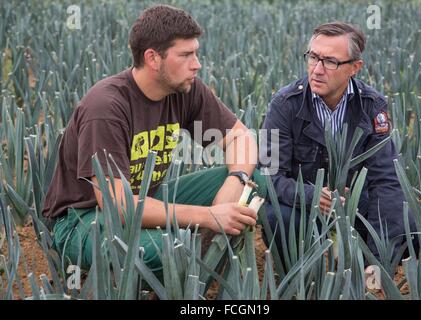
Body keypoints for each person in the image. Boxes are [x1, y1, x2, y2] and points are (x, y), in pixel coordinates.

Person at [42, 5, 266, 275]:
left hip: (148, 198)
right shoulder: (106, 108)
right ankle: (193, 262)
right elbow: (118, 207)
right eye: (185, 55)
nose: (197, 64)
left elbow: (241, 137)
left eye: (195, 53)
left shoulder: (185, 89)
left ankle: (201, 256)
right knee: (173, 249)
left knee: (256, 181)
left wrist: (237, 179)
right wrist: (208, 216)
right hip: (84, 220)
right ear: (152, 58)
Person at [259, 22, 417, 261]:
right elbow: (268, 175)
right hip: (302, 210)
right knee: (274, 216)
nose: (317, 70)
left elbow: (386, 181)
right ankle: (300, 276)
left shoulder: (372, 106)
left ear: (355, 67)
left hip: (354, 208)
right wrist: (311, 196)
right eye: (313, 57)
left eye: (330, 62)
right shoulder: (284, 104)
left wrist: (378, 258)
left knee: (408, 223)